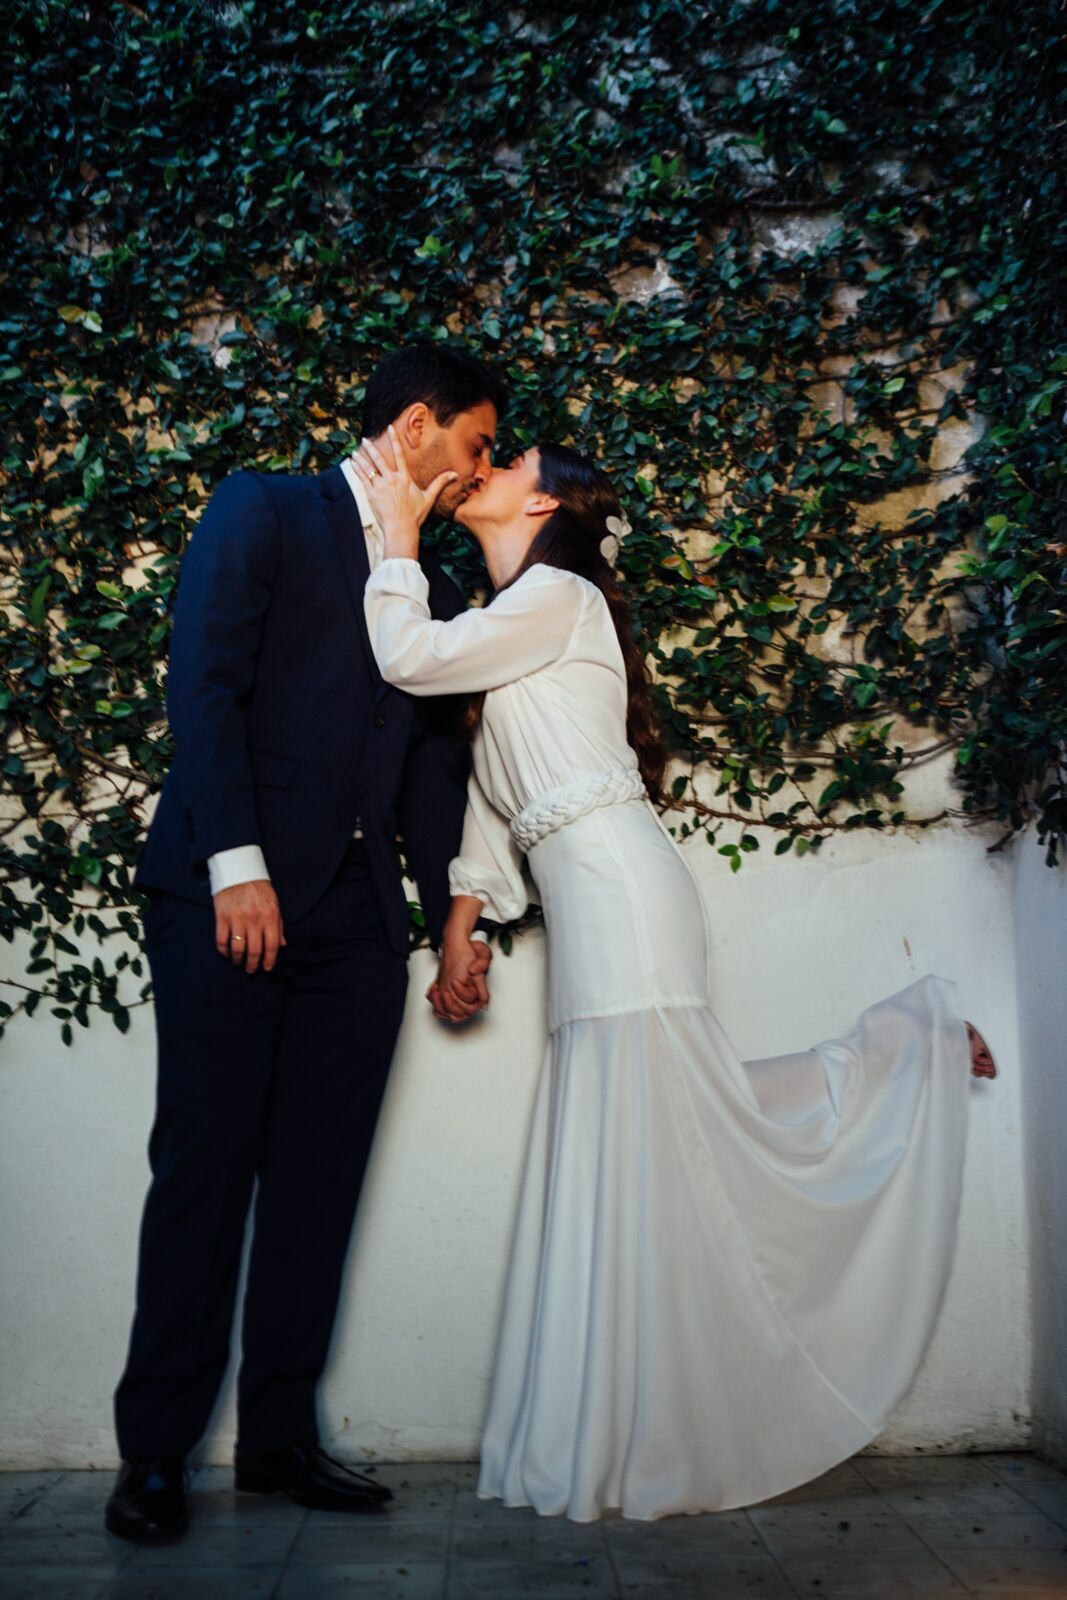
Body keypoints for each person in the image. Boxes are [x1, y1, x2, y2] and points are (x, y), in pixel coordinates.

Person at [355, 429, 999, 1523]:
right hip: (594, 888)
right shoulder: (513, 624)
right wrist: (462, 922)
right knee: (661, 1134)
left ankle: (910, 1046)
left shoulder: (558, 601)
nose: (488, 466)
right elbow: (496, 799)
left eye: (507, 462)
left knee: (677, 1125)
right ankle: (623, 1425)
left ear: (545, 507)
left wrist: (397, 536)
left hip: (622, 888)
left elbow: (405, 657)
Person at [105, 345, 504, 1545]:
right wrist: (237, 864)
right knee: (207, 1164)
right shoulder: (262, 505)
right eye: (477, 443)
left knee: (317, 1181)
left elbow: (430, 761)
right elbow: (203, 684)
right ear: (421, 425)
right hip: (226, 897)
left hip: (353, 923)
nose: (478, 467)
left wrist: (450, 917)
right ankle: (155, 1455)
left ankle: (279, 1438)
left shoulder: (412, 567)